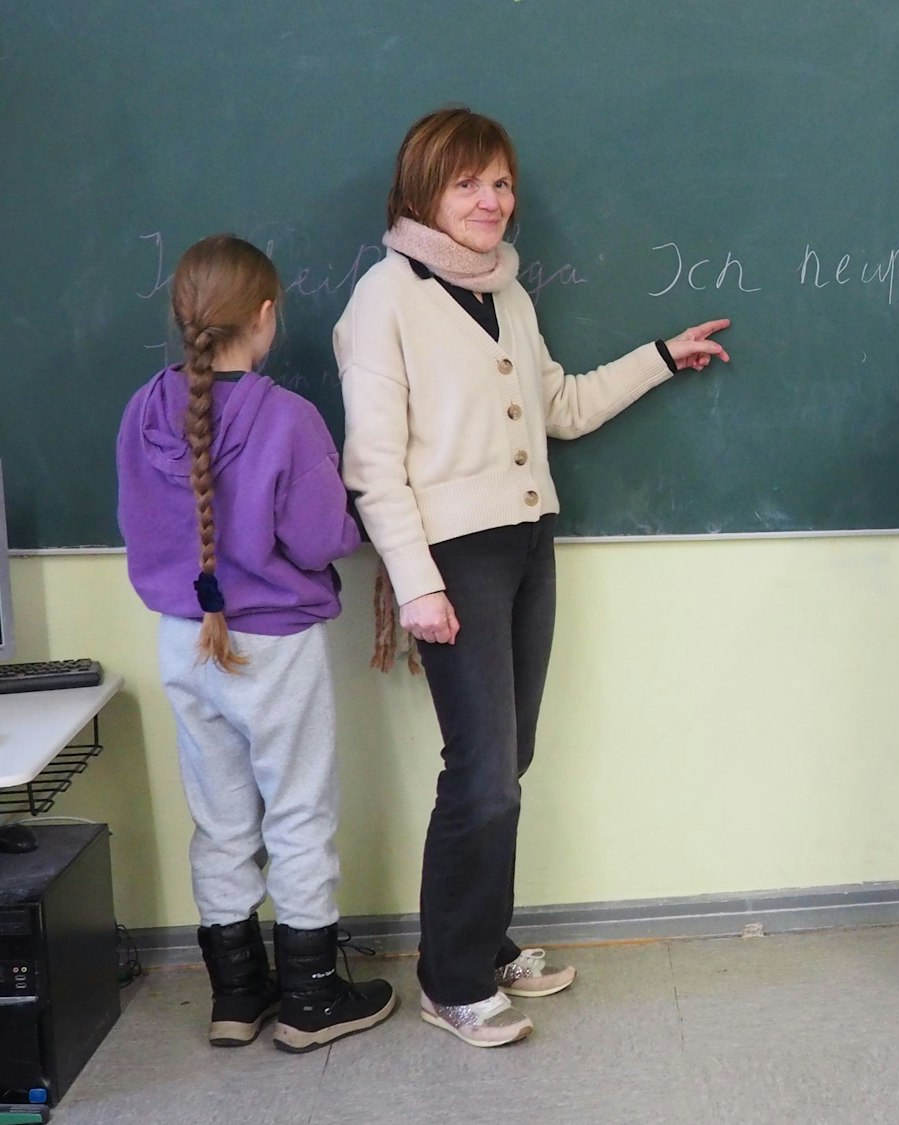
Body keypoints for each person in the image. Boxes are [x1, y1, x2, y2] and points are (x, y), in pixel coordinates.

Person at [335, 107, 732, 1045]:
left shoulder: (505, 292)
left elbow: (559, 406)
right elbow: (372, 465)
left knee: (506, 762)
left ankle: (483, 940)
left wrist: (662, 358)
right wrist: (416, 581)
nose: (492, 201)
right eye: (469, 183)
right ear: (423, 191)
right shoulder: (384, 300)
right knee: (483, 774)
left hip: (526, 541)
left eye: (502, 183)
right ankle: (451, 979)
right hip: (453, 556)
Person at [117, 234, 395, 1052]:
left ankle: (237, 995)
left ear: (184, 317)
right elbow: (319, 537)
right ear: (266, 316)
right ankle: (311, 997)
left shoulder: (142, 410)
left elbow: (138, 523)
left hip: (184, 639)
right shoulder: (288, 418)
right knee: (299, 810)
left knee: (220, 818)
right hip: (273, 643)